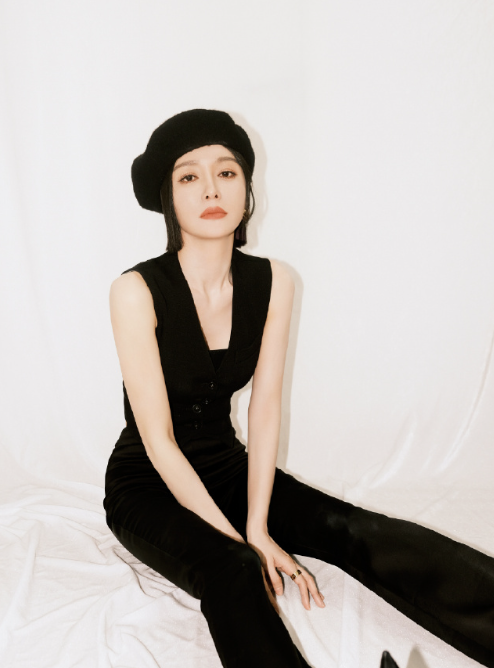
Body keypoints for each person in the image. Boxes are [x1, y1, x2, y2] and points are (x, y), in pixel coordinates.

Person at [103, 109, 494, 668]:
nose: (211, 188)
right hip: (147, 485)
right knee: (233, 569)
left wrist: (258, 523)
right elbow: (159, 441)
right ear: (169, 196)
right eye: (189, 176)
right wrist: (242, 543)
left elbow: (265, 410)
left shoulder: (273, 281)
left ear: (247, 188)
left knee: (351, 527)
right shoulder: (135, 290)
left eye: (226, 172)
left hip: (228, 469)